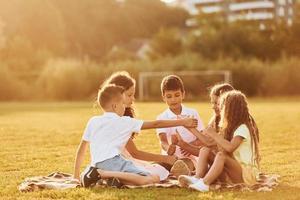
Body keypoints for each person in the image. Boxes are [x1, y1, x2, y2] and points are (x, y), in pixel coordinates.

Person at [73, 84, 198, 187]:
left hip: (95, 163)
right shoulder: (124, 122)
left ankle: (106, 177)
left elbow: (81, 149)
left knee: (133, 179)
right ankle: (103, 174)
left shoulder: (93, 120)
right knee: (152, 178)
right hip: (113, 163)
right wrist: (183, 122)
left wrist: (75, 175)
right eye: (123, 103)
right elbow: (156, 123)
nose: (125, 106)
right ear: (115, 106)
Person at [179, 90, 260, 192]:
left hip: (246, 175)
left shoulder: (242, 128)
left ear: (232, 111)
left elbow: (230, 147)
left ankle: (204, 184)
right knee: (205, 150)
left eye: (223, 108)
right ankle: (197, 178)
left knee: (221, 156)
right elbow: (210, 144)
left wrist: (213, 134)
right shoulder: (230, 128)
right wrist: (190, 128)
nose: (221, 111)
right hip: (232, 172)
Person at [102, 71, 177, 181]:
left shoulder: (112, 116)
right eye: (129, 95)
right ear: (118, 94)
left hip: (121, 161)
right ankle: (112, 177)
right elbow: (135, 153)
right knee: (158, 171)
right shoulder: (117, 121)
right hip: (120, 164)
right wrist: (166, 158)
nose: (133, 99)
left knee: (159, 167)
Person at [156, 75, 207, 177]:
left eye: (177, 95)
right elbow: (163, 141)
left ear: (183, 94)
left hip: (189, 158)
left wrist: (190, 146)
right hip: (169, 158)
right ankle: (169, 172)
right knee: (155, 167)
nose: (173, 100)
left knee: (184, 165)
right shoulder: (161, 117)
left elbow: (202, 138)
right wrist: (168, 148)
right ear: (163, 97)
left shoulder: (192, 113)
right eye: (169, 96)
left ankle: (177, 173)